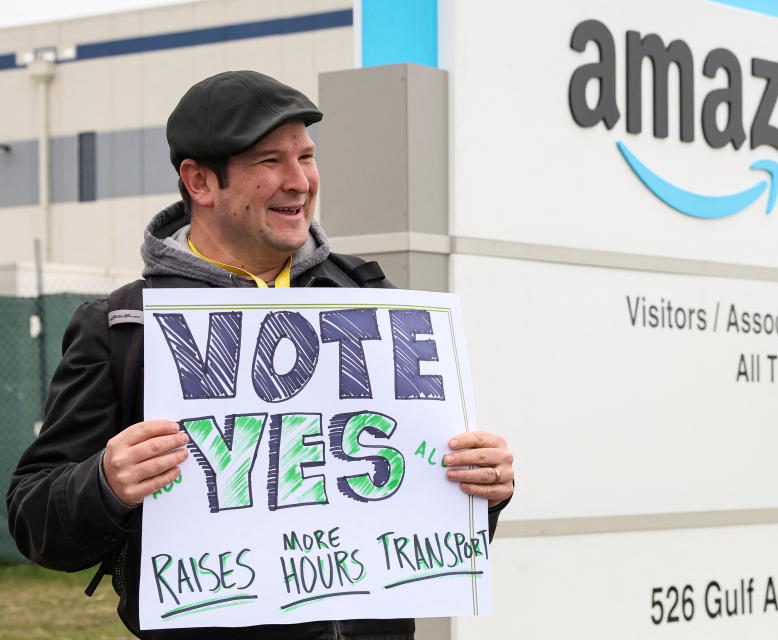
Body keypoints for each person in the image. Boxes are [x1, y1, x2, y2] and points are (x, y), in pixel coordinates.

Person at [7, 70, 514, 640]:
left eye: (307, 156)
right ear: (200, 181)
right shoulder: (126, 326)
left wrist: (480, 489)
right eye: (270, 162)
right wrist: (104, 483)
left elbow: (413, 508)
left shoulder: (372, 304)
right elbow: (34, 519)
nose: (300, 182)